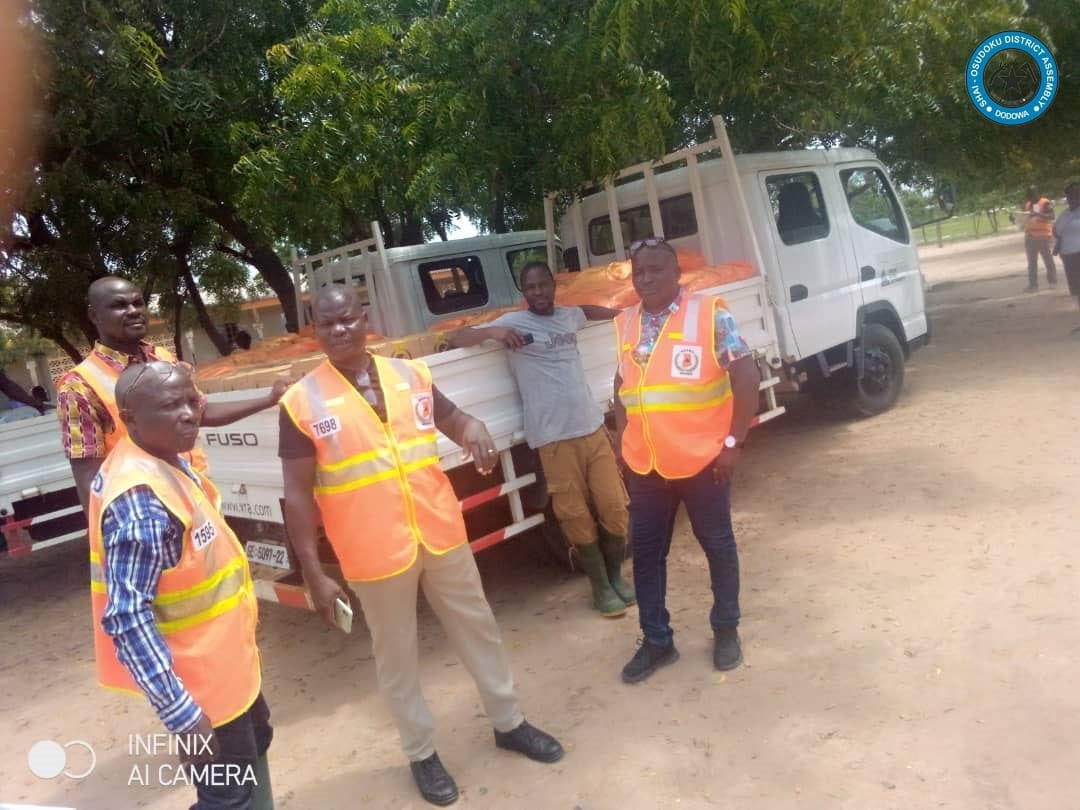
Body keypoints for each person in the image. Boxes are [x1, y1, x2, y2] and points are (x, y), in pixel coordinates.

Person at [279, 285, 564, 807]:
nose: (339, 330)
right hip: (372, 550)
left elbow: (454, 420)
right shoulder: (300, 402)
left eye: (347, 319)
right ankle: (421, 753)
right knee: (397, 657)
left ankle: (509, 722)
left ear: (365, 317)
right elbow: (296, 495)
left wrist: (473, 427)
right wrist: (312, 571)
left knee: (478, 627)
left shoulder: (409, 373)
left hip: (439, 529)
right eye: (327, 323)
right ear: (313, 331)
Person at [89, 361, 273, 809]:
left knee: (254, 752)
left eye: (193, 400)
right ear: (129, 417)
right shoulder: (141, 500)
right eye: (171, 406)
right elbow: (128, 618)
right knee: (228, 795)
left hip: (229, 669)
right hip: (203, 689)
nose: (189, 414)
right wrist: (182, 715)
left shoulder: (163, 458)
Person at [612, 238, 761, 684]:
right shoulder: (625, 323)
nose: (647, 279)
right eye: (640, 272)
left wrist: (733, 443)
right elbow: (621, 387)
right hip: (646, 466)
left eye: (657, 270)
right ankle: (657, 640)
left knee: (717, 545)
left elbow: (746, 373)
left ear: (677, 273)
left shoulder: (708, 312)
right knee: (645, 556)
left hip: (703, 462)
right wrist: (624, 442)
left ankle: (726, 629)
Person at [448, 262, 634, 618]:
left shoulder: (568, 317)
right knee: (574, 515)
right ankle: (600, 587)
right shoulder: (513, 324)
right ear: (523, 292)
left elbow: (589, 312)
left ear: (553, 286)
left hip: (592, 428)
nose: (538, 293)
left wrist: (626, 314)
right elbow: (460, 338)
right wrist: (494, 334)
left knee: (614, 506)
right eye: (530, 288)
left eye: (543, 286)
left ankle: (615, 576)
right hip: (553, 440)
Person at [57, 276, 291, 512]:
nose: (133, 311)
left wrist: (268, 400)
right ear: (94, 315)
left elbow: (202, 412)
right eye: (119, 305)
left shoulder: (164, 359)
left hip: (197, 498)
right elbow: (88, 476)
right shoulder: (80, 385)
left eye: (138, 303)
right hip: (146, 515)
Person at [1052, 180, 1080, 334]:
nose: (1074, 197)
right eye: (1070, 194)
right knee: (1078, 291)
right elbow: (1056, 230)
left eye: (1077, 193)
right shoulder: (1066, 213)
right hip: (1069, 257)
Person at [1022, 186, 1057, 292]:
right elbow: (1025, 218)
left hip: (1043, 236)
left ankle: (1052, 281)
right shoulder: (1028, 204)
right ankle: (1033, 285)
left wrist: (1039, 214)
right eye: (1029, 196)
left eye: (1032, 195)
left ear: (1038, 193)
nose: (1031, 198)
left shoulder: (1045, 203)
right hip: (1030, 236)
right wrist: (1015, 218)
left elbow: (1051, 216)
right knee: (1031, 262)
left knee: (1047, 259)